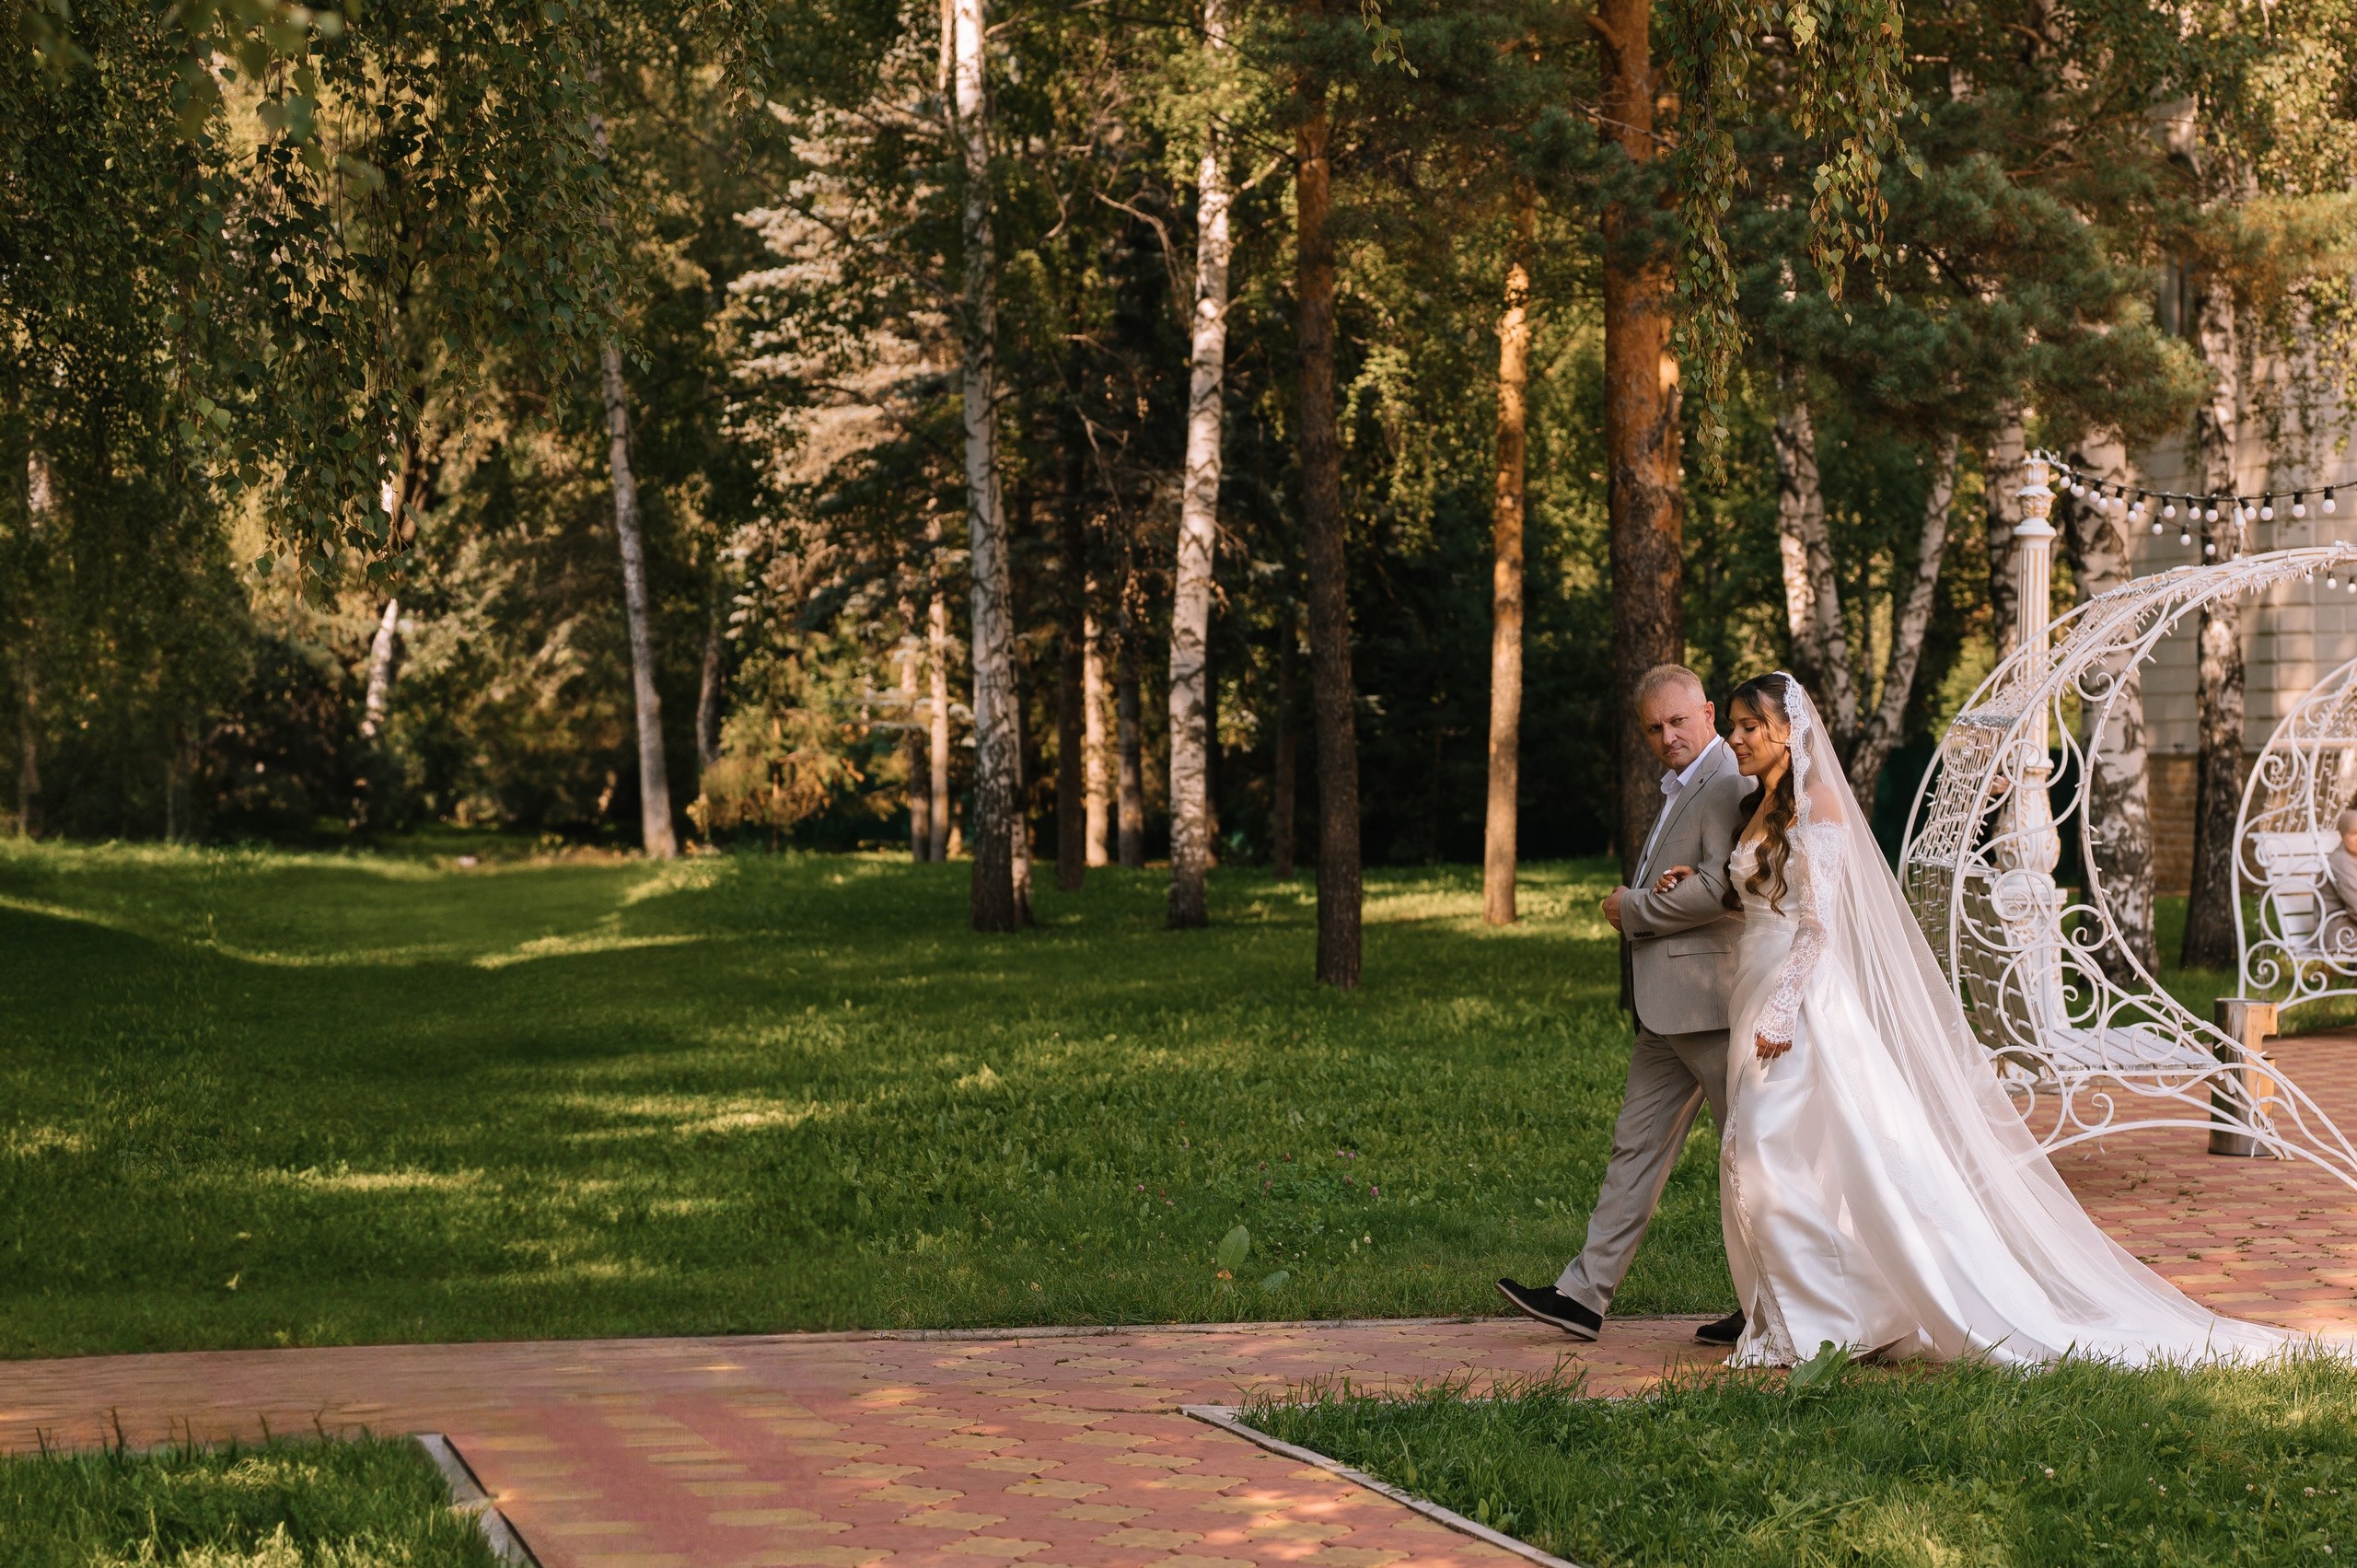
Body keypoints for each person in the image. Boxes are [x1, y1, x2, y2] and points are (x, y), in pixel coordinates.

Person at [1655, 671, 2316, 1365]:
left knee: (1760, 1149)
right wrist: (1696, 886)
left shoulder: (1818, 805)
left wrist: (1785, 1008)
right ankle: (1832, 1313)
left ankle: (1818, 1323)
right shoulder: (1759, 806)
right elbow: (1761, 898)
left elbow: (1819, 925)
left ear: (1786, 729)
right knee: (1793, 1154)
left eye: (1746, 726)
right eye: (1732, 725)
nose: (1734, 738)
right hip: (1756, 992)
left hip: (1800, 1000)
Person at [1494, 664, 1749, 1347]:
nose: (1667, 736)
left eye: (1678, 721)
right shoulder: (1690, 780)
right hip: (1669, 1009)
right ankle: (1582, 1296)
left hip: (1712, 1004)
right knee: (1634, 1147)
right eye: (1654, 727)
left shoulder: (1724, 779)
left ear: (1709, 712)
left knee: (1748, 1155)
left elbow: (1721, 891)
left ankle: (1770, 1305)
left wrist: (1629, 906)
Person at [2312, 807, 2357, 958]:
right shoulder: (2342, 861)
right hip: (2338, 933)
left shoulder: (2352, 858)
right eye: (2353, 834)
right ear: (2343, 835)